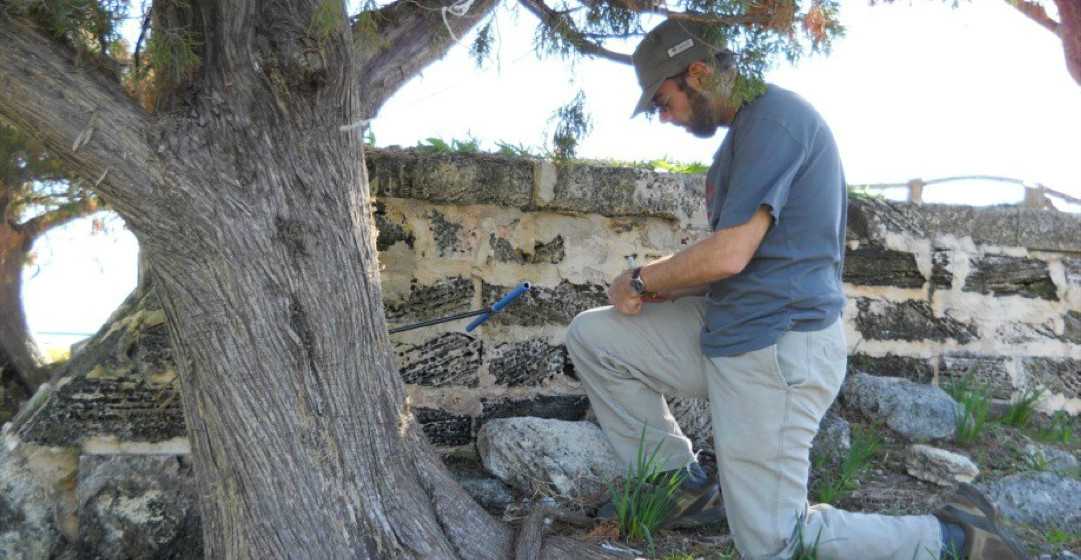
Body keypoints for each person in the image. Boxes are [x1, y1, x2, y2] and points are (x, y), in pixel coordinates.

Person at [565, 18, 1028, 560]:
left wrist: (641, 279)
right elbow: (740, 261)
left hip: (778, 350)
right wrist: (670, 287)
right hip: (732, 331)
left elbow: (730, 253)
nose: (663, 117)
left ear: (696, 73)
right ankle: (679, 488)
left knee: (775, 542)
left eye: (663, 102)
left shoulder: (776, 120)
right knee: (598, 336)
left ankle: (953, 538)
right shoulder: (742, 138)